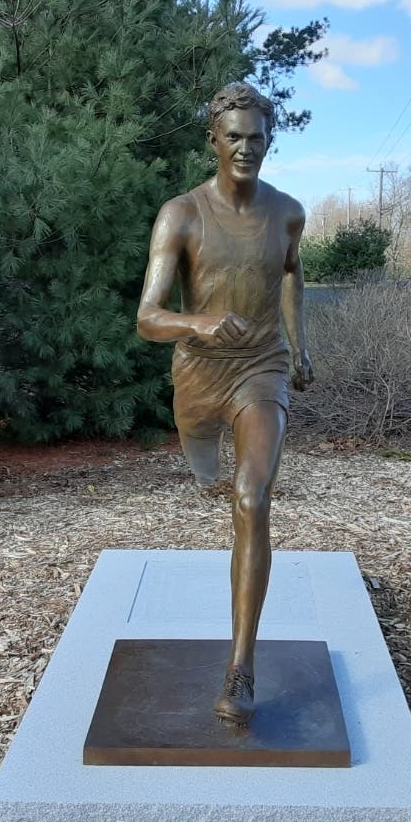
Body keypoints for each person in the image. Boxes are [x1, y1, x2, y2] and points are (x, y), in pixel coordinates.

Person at [136, 81, 312, 727]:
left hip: (262, 370)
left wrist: (302, 347)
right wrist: (199, 324)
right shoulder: (180, 214)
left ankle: (240, 670)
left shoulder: (287, 212)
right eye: (233, 137)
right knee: (206, 471)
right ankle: (201, 442)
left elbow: (291, 275)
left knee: (251, 496)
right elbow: (148, 318)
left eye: (256, 137)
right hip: (200, 373)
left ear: (271, 140)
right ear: (212, 140)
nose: (245, 148)